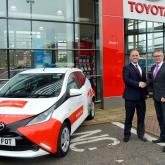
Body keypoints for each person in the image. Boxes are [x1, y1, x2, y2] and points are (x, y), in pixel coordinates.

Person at [122, 49, 148, 142]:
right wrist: (138, 84)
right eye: (133, 55)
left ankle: (141, 134)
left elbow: (144, 80)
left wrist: (147, 93)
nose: (135, 57)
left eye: (136, 55)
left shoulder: (142, 67)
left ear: (139, 56)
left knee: (141, 117)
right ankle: (126, 135)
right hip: (130, 98)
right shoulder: (127, 67)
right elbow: (126, 80)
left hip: (141, 98)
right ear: (130, 57)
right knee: (129, 117)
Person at [149, 49, 165, 151]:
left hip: (164, 98)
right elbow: (153, 82)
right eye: (155, 56)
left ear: (163, 56)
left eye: (159, 56)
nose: (157, 58)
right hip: (156, 98)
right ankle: (162, 137)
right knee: (160, 118)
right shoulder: (153, 67)